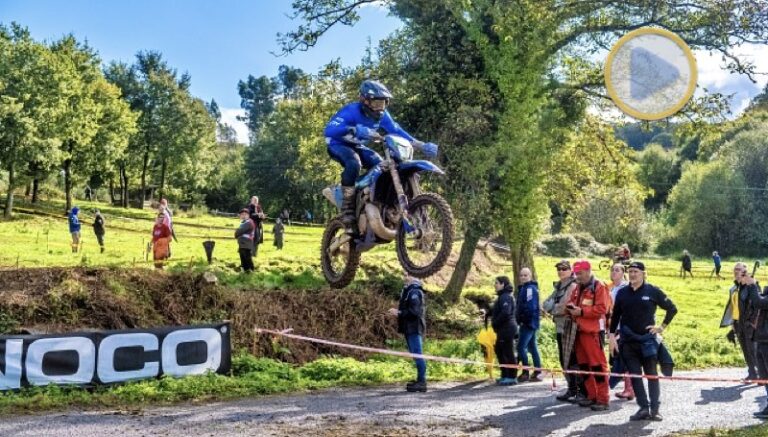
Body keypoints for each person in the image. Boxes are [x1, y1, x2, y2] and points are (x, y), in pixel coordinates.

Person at [324, 79, 438, 231]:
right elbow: (329, 130)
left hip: (358, 146)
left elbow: (396, 130)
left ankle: (373, 201)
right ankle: (348, 209)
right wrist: (353, 129)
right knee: (354, 163)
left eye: (383, 103)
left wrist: (421, 145)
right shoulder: (351, 111)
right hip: (337, 144)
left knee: (382, 167)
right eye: (376, 103)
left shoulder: (383, 116)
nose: (380, 108)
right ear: (364, 100)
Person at [609, 261, 678, 422]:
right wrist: (611, 337)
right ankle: (643, 408)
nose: (633, 274)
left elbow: (672, 308)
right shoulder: (622, 292)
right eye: (631, 271)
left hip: (648, 342)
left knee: (652, 375)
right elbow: (616, 316)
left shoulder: (652, 291)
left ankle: (655, 410)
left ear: (643, 274)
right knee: (635, 376)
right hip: (627, 341)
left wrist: (661, 327)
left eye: (636, 272)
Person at [567, 260, 610, 411]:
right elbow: (571, 301)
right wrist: (569, 308)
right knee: (584, 366)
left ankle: (603, 399)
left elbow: (602, 309)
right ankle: (592, 396)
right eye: (576, 273)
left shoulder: (599, 286)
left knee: (598, 366)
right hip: (578, 331)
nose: (577, 276)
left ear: (588, 271)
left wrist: (581, 312)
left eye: (580, 273)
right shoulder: (578, 287)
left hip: (592, 332)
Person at [543, 260, 582, 402]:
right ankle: (571, 388)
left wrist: (552, 307)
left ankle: (580, 390)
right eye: (558, 269)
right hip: (559, 327)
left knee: (572, 360)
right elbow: (545, 304)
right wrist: (553, 307)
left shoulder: (573, 285)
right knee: (563, 360)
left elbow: (564, 306)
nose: (560, 271)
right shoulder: (558, 286)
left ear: (571, 271)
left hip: (570, 327)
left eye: (564, 269)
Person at [388, 275, 427, 392]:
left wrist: (398, 313)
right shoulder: (408, 290)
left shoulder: (414, 292)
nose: (405, 276)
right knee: (415, 355)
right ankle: (419, 380)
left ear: (413, 278)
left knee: (418, 354)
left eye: (408, 274)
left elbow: (415, 312)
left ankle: (422, 382)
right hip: (409, 328)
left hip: (414, 328)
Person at [720, 262, 759, 380]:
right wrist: (732, 323)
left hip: (749, 324)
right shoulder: (734, 288)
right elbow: (733, 307)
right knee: (745, 350)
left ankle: (762, 374)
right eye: (735, 269)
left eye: (739, 269)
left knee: (753, 350)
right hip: (738, 324)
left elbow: (758, 305)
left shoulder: (752, 285)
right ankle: (752, 373)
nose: (736, 271)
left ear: (745, 271)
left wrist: (752, 322)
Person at [742, 270, 768, 418]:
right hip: (761, 339)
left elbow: (759, 302)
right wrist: (754, 284)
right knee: (764, 375)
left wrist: (752, 285)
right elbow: (758, 300)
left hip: (766, 340)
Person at [608, 263, 634, 401]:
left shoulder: (625, 288)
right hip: (614, 327)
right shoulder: (612, 288)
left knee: (624, 358)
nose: (614, 272)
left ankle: (629, 389)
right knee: (619, 358)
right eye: (612, 270)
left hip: (623, 327)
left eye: (617, 270)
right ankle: (628, 388)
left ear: (623, 273)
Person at [515, 267, 543, 383]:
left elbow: (530, 307)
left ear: (530, 276)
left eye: (525, 275)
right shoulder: (523, 288)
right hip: (529, 322)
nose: (523, 277)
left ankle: (526, 372)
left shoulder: (530, 289)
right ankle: (538, 371)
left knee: (521, 347)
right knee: (532, 347)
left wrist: (523, 320)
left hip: (528, 322)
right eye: (521, 275)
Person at [491, 276, 519, 386]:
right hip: (503, 329)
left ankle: (512, 377)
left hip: (507, 329)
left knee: (508, 352)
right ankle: (505, 374)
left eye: (497, 283)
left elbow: (506, 312)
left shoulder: (506, 297)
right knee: (499, 350)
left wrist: (495, 322)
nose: (495, 285)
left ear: (503, 284)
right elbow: (498, 310)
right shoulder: (502, 296)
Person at [235, 208, 256, 273]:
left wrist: (236, 233)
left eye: (245, 214)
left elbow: (240, 231)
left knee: (247, 257)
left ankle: (251, 270)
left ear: (248, 215)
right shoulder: (244, 222)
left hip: (246, 243)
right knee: (243, 257)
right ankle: (246, 271)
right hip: (243, 243)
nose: (243, 216)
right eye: (242, 214)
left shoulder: (248, 222)